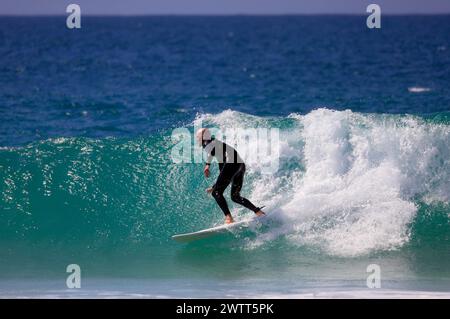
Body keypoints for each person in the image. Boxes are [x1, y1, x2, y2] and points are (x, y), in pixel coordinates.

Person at [196, 128, 265, 224]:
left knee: (216, 193)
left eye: (198, 136)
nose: (197, 138)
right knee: (235, 196)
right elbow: (223, 173)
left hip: (232, 164)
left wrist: (207, 165)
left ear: (203, 137)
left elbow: (214, 152)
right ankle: (258, 211)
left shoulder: (210, 144)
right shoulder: (216, 144)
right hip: (240, 165)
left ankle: (229, 218)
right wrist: (214, 186)